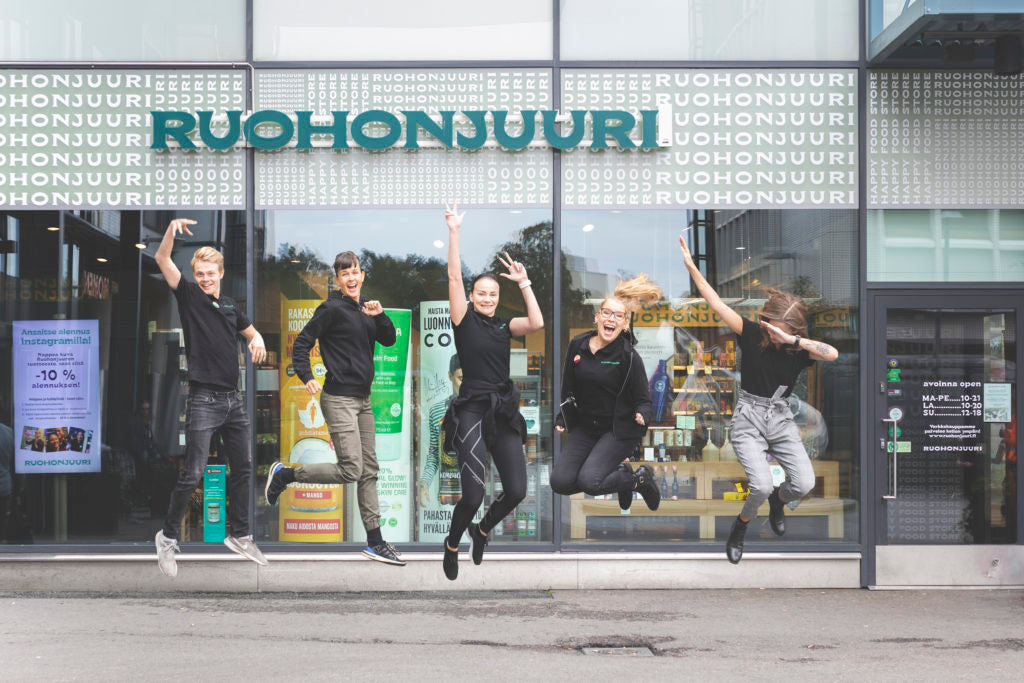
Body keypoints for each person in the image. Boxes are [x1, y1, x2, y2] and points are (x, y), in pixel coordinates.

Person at [678, 235, 838, 564]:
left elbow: (832, 354)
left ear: (793, 329)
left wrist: (793, 340)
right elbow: (716, 303)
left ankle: (779, 501)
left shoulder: (798, 349)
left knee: (804, 483)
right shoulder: (751, 334)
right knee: (761, 485)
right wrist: (692, 268)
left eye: (780, 330)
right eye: (771, 327)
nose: (773, 334)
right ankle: (741, 525)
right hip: (749, 416)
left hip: (780, 417)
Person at [263, 250, 404, 566]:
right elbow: (302, 342)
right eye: (344, 274)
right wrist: (307, 376)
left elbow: (389, 340)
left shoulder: (367, 307)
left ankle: (375, 542)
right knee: (352, 468)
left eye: (355, 272)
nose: (351, 278)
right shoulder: (331, 309)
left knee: (369, 471)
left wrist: (380, 315)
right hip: (338, 398)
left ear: (362, 275)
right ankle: (286, 474)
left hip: (363, 401)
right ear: (337, 279)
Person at [154, 217, 268, 578]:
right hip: (204, 399)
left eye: (210, 273)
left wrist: (257, 339)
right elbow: (161, 259)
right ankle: (167, 538)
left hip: (234, 400)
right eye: (200, 273)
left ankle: (240, 535)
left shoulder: (231, 306)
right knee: (193, 473)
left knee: (244, 467)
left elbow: (251, 333)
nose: (205, 278)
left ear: (220, 273)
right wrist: (170, 231)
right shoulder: (189, 297)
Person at [441, 200, 544, 580]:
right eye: (481, 293)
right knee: (472, 495)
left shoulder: (504, 326)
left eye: (493, 294)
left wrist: (523, 283)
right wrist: (454, 232)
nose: (487, 298)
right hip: (471, 408)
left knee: (516, 490)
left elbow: (536, 322)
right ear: (472, 296)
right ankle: (452, 543)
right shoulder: (463, 320)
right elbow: (454, 278)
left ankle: (481, 531)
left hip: (502, 410)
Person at [549, 275, 662, 513]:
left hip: (617, 430)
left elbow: (643, 399)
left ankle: (640, 480)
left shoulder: (628, 356)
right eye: (607, 313)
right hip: (586, 427)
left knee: (590, 481)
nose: (611, 319)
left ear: (625, 324)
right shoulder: (578, 344)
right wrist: (563, 417)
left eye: (618, 316)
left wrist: (642, 413)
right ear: (597, 317)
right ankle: (622, 477)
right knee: (560, 482)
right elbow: (568, 385)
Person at [419, 354, 463, 509]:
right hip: (447, 490)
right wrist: (424, 484)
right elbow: (434, 455)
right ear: (450, 376)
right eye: (461, 379)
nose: (465, 385)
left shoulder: (480, 410)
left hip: (475, 491)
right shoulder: (437, 411)